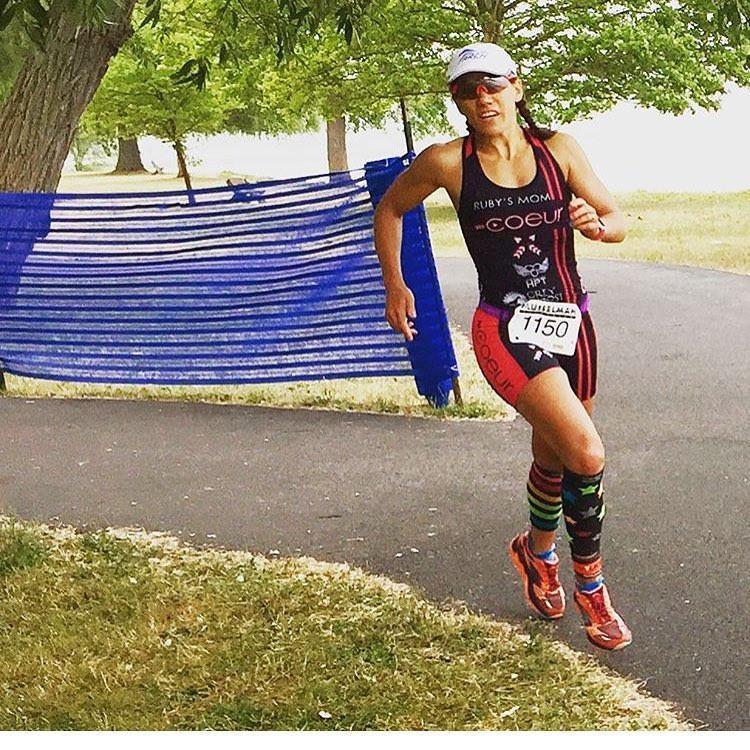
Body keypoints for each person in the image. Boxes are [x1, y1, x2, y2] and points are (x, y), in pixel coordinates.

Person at [373, 42, 632, 650]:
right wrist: (396, 286)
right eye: (468, 90)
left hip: (573, 323)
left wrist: (599, 227)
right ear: (457, 102)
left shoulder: (558, 150)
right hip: (505, 327)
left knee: (556, 453)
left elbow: (616, 216)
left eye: (492, 84)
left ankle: (535, 552)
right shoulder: (447, 162)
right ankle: (592, 591)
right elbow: (390, 209)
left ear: (517, 87)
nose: (483, 97)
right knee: (587, 454)